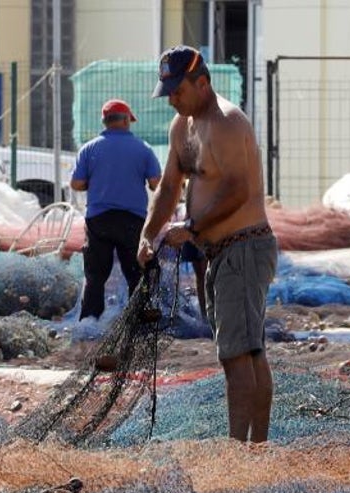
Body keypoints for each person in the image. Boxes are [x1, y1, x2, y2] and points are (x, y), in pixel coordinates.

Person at [137, 45, 278, 443]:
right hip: (220, 254)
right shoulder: (182, 127)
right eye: (167, 93)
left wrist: (192, 225)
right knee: (247, 350)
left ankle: (242, 451)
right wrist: (148, 234)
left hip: (246, 247)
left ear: (202, 82)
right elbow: (168, 188)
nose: (172, 101)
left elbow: (238, 189)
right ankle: (255, 450)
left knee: (238, 355)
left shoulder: (228, 122)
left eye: (178, 91)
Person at [70, 98, 162, 319]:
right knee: (137, 273)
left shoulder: (89, 149)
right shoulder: (143, 149)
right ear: (126, 121)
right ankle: (138, 318)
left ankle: (90, 324)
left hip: (98, 220)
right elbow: (156, 182)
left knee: (95, 276)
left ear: (105, 122)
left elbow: (76, 184)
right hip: (132, 220)